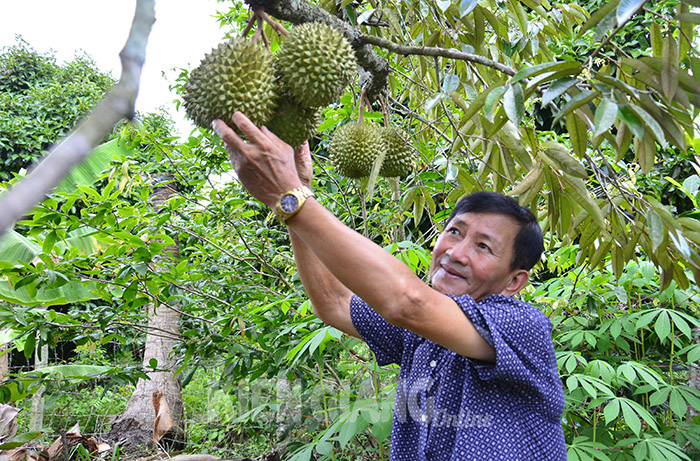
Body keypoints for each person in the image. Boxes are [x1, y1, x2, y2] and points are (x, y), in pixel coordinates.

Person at [212, 112, 567, 460]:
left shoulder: (524, 326)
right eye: (455, 232)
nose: (456, 253)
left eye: (483, 247)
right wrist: (298, 195)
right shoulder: (423, 335)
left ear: (514, 281)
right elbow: (334, 302)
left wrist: (292, 198)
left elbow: (409, 302)